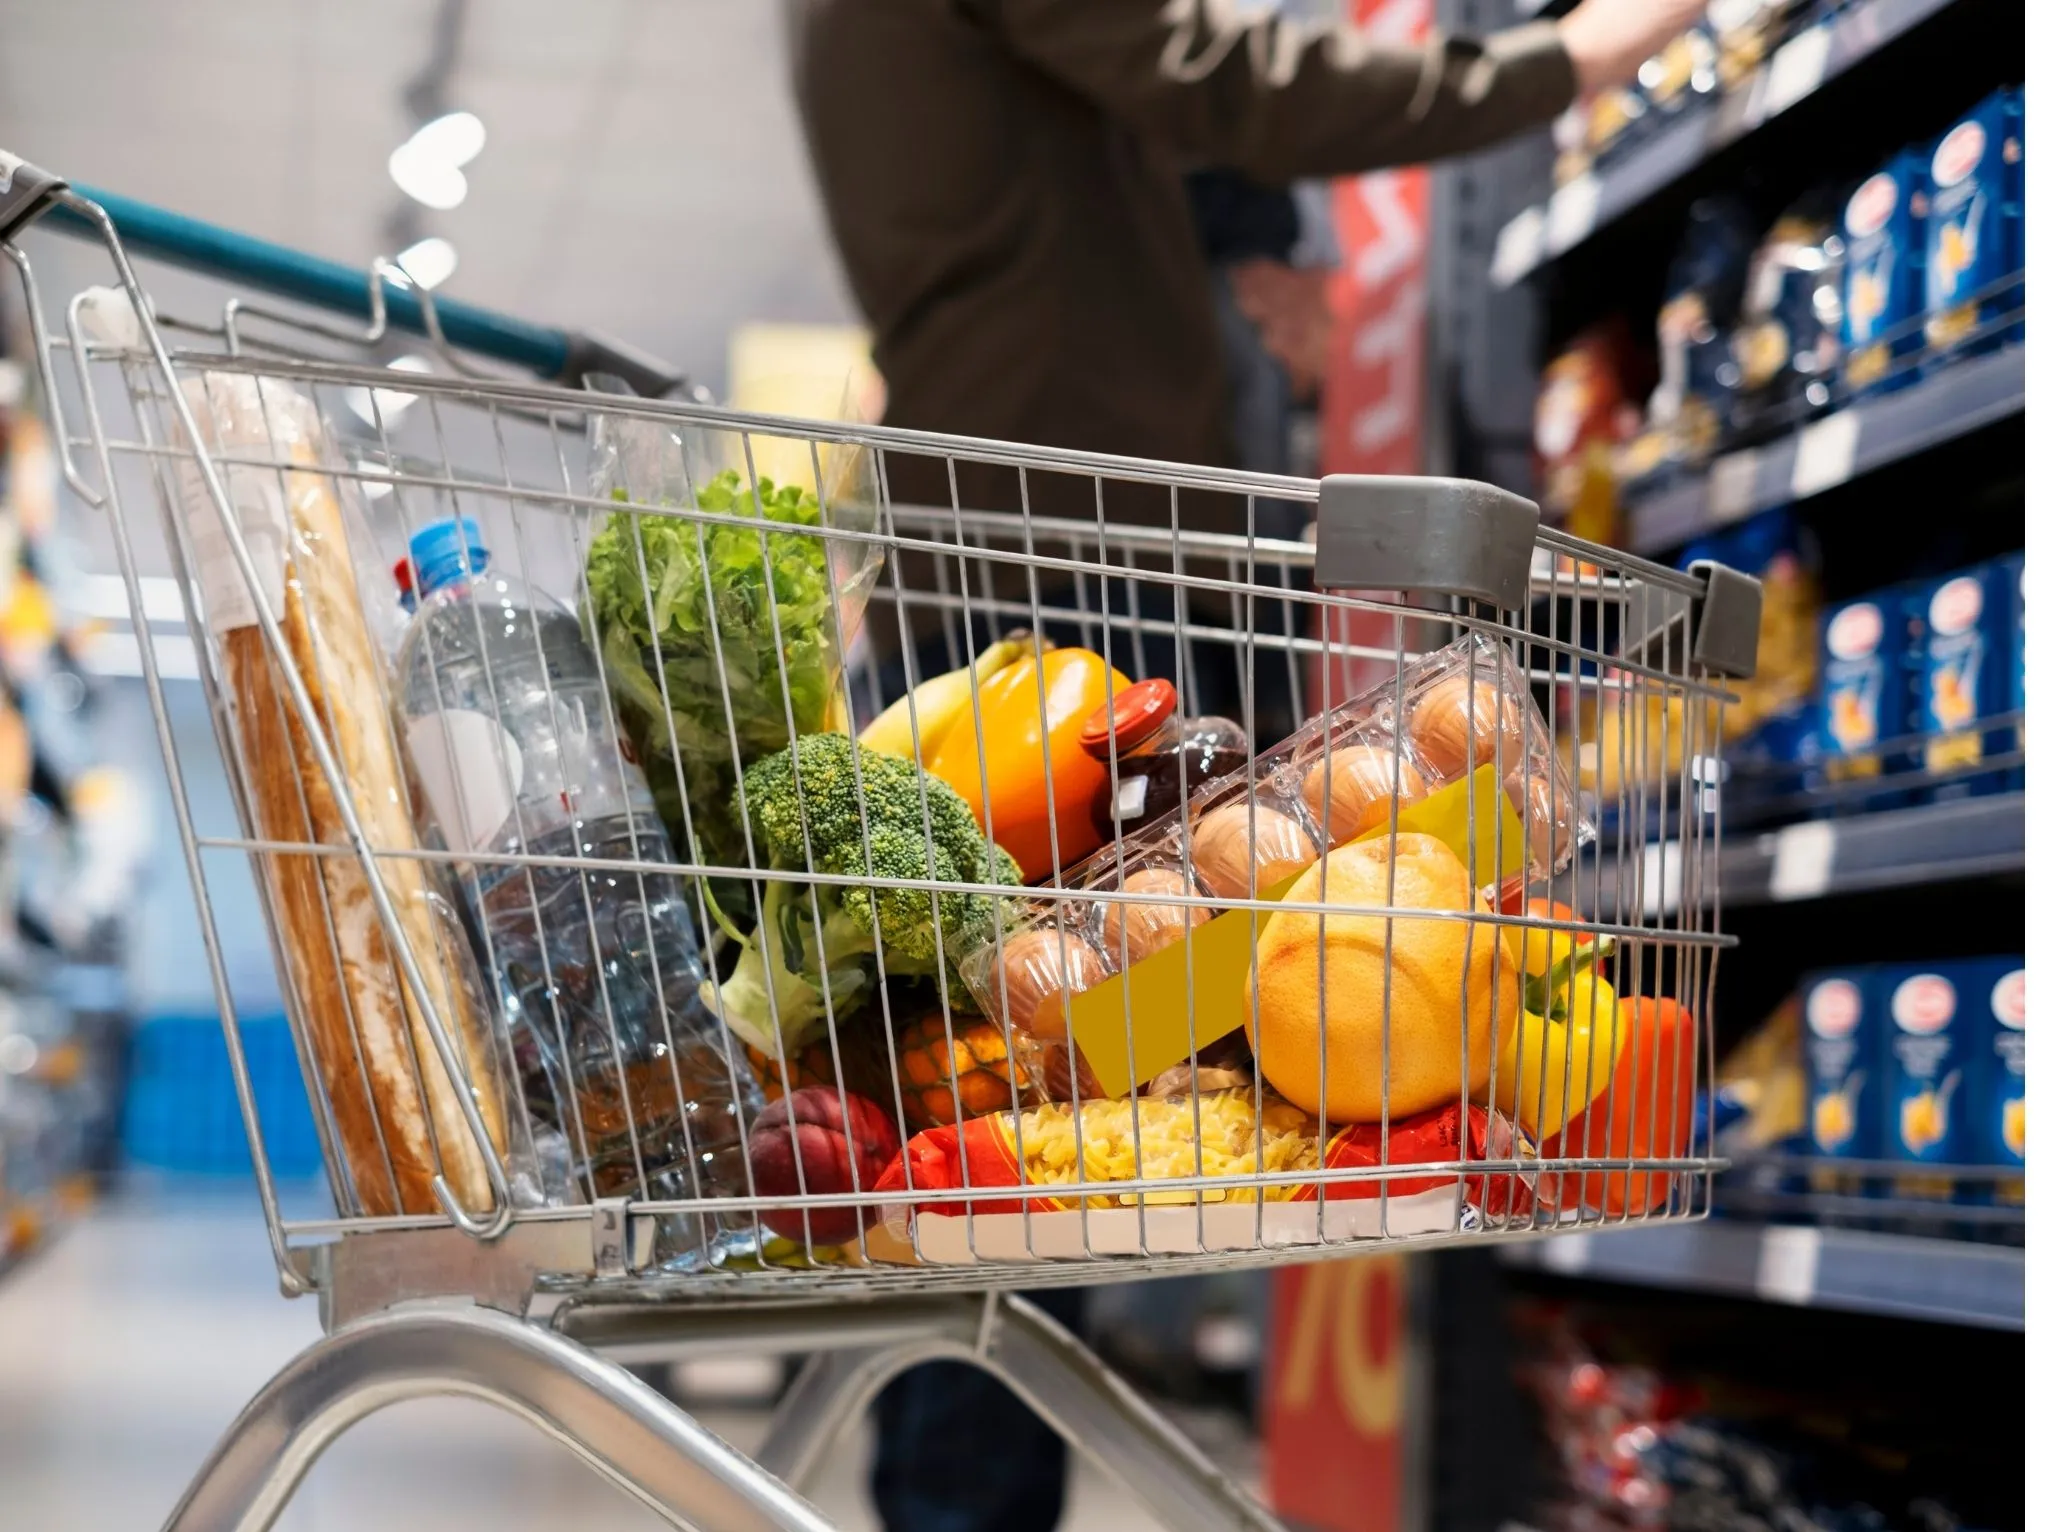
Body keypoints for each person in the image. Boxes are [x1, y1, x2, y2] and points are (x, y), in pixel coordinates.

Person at [785, 3, 1709, 1527]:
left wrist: (1233, 251)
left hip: (1006, 558)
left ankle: (957, 1498)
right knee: (1038, 1130)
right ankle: (961, 1509)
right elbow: (1229, 80)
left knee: (1025, 1115)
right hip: (1071, 591)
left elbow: (1088, 123)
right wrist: (1572, 60)